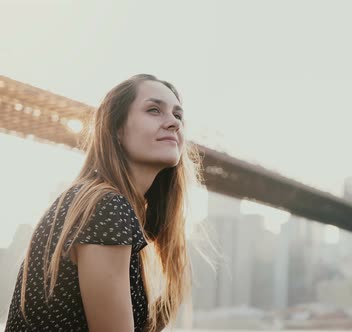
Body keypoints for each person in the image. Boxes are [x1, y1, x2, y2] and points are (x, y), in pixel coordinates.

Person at [5, 74, 203, 332]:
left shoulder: (97, 202)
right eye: (154, 110)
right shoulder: (105, 207)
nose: (174, 123)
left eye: (178, 115)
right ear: (117, 129)